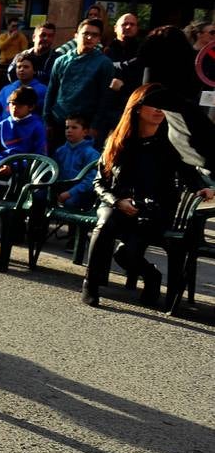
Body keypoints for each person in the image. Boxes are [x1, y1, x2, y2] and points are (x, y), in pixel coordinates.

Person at [83, 84, 213, 307]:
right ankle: (90, 286)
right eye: (154, 104)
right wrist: (117, 201)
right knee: (105, 224)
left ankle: (151, 275)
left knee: (124, 254)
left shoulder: (172, 142)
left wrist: (202, 187)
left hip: (154, 209)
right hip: (115, 204)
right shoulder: (117, 140)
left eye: (165, 106)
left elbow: (190, 172)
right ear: (137, 108)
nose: (159, 110)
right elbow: (99, 182)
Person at [44, 18, 115, 150]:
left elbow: (105, 98)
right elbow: (51, 91)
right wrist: (47, 120)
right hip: (59, 122)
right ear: (76, 35)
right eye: (85, 33)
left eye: (94, 35)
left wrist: (95, 126)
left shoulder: (104, 64)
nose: (89, 37)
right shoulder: (61, 60)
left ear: (99, 39)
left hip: (86, 126)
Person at [0, 87, 47, 167]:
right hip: (1, 165)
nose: (14, 108)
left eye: (20, 105)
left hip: (25, 170)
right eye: (12, 103)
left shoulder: (37, 127)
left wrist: (13, 167)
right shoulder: (3, 125)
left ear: (31, 107)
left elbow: (40, 156)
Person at [54, 115, 101, 209]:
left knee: (70, 202)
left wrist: (69, 193)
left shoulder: (92, 153)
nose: (69, 130)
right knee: (39, 195)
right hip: (60, 191)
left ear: (85, 132)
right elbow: (53, 174)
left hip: (81, 194)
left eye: (74, 127)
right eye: (67, 127)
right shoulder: (60, 151)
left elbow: (91, 180)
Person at [0, 53, 47, 125]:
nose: (21, 69)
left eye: (26, 67)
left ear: (34, 70)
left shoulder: (43, 90)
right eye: (19, 67)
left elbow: (45, 113)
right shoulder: (6, 89)